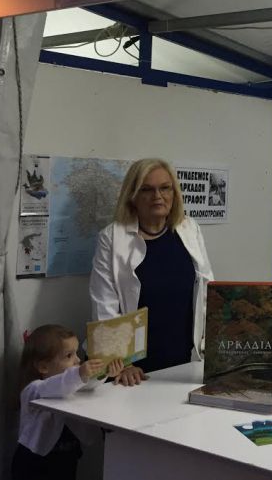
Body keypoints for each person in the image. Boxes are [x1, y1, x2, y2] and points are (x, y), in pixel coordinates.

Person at [90, 158, 214, 385]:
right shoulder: (112, 238)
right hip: (133, 372)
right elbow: (104, 306)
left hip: (184, 362)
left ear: (174, 193)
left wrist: (213, 349)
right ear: (132, 196)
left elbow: (207, 292)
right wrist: (122, 364)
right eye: (146, 189)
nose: (158, 196)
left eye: (165, 188)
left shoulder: (189, 229)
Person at [13, 324, 125, 480]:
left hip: (66, 458)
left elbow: (87, 385)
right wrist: (79, 374)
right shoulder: (33, 390)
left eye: (76, 353)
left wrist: (105, 372)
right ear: (43, 366)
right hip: (34, 462)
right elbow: (57, 385)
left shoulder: (72, 385)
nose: (77, 360)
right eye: (69, 356)